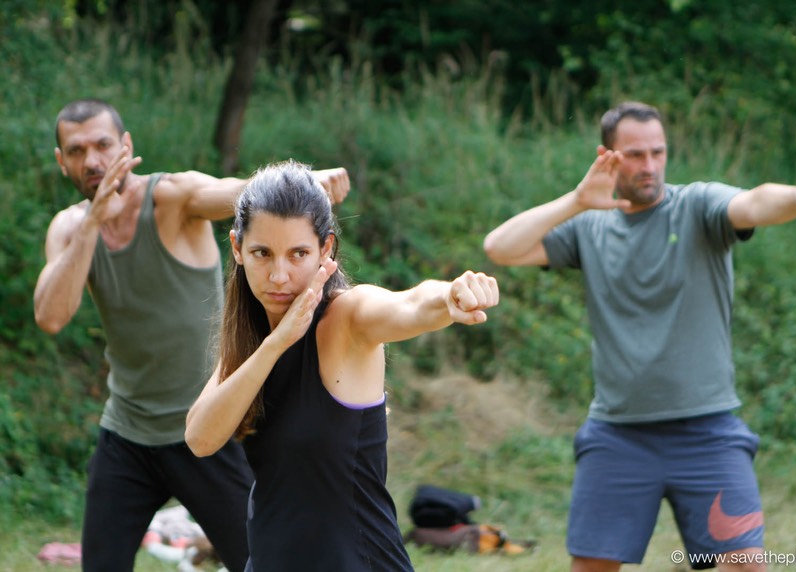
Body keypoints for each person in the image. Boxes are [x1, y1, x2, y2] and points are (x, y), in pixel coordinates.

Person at [482, 101, 796, 572]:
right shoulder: (590, 227)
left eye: (658, 152)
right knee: (591, 566)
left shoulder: (697, 207)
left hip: (708, 430)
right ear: (607, 156)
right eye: (635, 154)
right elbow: (500, 248)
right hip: (618, 433)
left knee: (745, 564)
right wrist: (576, 201)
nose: (650, 166)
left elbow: (754, 201)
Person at [33, 98, 351, 572]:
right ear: (62, 162)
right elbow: (51, 316)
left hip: (209, 427)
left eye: (102, 145)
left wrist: (301, 186)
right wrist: (94, 220)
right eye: (76, 151)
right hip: (127, 432)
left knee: (260, 561)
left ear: (126, 146)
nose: (93, 160)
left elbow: (235, 193)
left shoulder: (172, 199)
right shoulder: (70, 229)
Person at [184, 160, 499, 571]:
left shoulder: (348, 316)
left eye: (299, 254)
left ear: (326, 250)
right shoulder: (251, 339)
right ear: (237, 249)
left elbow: (408, 303)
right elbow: (200, 438)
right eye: (263, 253)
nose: (280, 275)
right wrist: (275, 345)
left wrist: (450, 297)